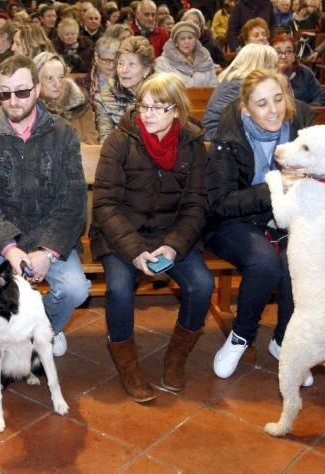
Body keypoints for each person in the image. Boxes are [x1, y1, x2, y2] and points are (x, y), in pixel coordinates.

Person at [91, 72, 214, 401]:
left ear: (177, 111)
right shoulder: (120, 141)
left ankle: (176, 357)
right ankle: (128, 366)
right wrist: (133, 251)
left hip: (170, 235)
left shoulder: (192, 146)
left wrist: (174, 247)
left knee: (202, 285)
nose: (147, 114)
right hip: (122, 235)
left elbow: (196, 205)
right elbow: (105, 204)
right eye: (143, 106)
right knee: (118, 289)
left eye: (158, 108)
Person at [0, 54, 91, 357]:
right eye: (5, 93)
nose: (13, 100)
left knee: (75, 289)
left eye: (21, 91)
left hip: (50, 239)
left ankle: (44, 330)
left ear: (36, 89)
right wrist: (10, 248)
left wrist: (48, 252)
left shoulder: (63, 133)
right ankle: (8, 342)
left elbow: (71, 201)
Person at [206, 68, 316, 380]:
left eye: (278, 99)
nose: (273, 110)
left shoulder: (302, 132)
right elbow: (220, 203)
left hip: (285, 219)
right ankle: (241, 336)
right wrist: (275, 185)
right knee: (266, 264)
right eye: (262, 103)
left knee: (299, 261)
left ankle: (284, 341)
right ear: (246, 108)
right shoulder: (228, 139)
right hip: (232, 222)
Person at [203, 44, 279, 140]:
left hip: (218, 134)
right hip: (219, 138)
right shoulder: (242, 85)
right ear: (261, 65)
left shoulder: (233, 80)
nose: (276, 71)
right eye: (273, 66)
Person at [94, 36, 155, 143]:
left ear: (146, 70)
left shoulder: (162, 95)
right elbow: (106, 140)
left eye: (132, 64)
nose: (124, 70)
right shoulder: (104, 98)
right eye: (120, 64)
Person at [33, 52, 98, 144]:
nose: (57, 84)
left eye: (61, 77)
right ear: (36, 81)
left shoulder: (81, 105)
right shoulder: (28, 110)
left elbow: (92, 142)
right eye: (49, 78)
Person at [155, 21, 218, 88]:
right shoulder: (163, 62)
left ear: (195, 41)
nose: (186, 42)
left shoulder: (206, 59)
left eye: (190, 38)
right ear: (175, 42)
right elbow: (162, 90)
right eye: (182, 38)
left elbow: (213, 86)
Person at [271, 34, 325, 105]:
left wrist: (304, 111)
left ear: (294, 56)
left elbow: (322, 98)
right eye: (278, 52)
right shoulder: (264, 74)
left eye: (288, 52)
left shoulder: (304, 73)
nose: (283, 56)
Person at [90, 36, 120, 102]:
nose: (111, 65)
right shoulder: (86, 83)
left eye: (115, 60)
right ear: (96, 57)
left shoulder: (126, 81)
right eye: (106, 60)